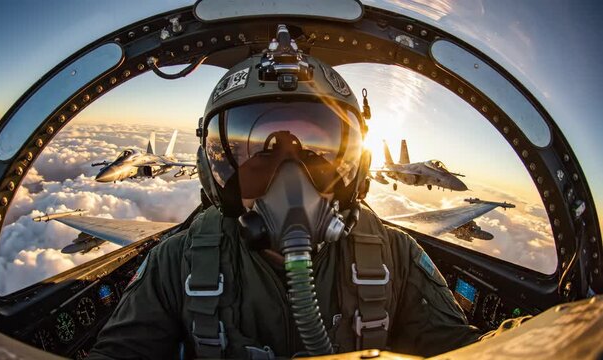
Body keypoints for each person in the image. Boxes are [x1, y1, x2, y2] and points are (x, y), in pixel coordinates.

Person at [88, 25, 481, 360]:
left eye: (317, 151)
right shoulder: (177, 263)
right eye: (256, 153)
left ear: (356, 170)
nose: (290, 179)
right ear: (215, 172)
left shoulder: (397, 257)